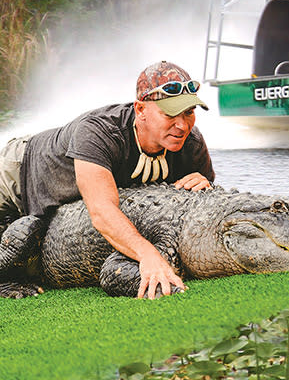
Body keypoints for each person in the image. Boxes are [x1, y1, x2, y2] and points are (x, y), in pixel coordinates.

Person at [0, 61, 214, 299]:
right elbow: (102, 211)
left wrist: (205, 185)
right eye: (170, 113)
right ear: (140, 110)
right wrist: (149, 256)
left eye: (189, 112)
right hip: (19, 173)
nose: (182, 125)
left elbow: (202, 204)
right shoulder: (98, 132)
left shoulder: (190, 144)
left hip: (55, 209)